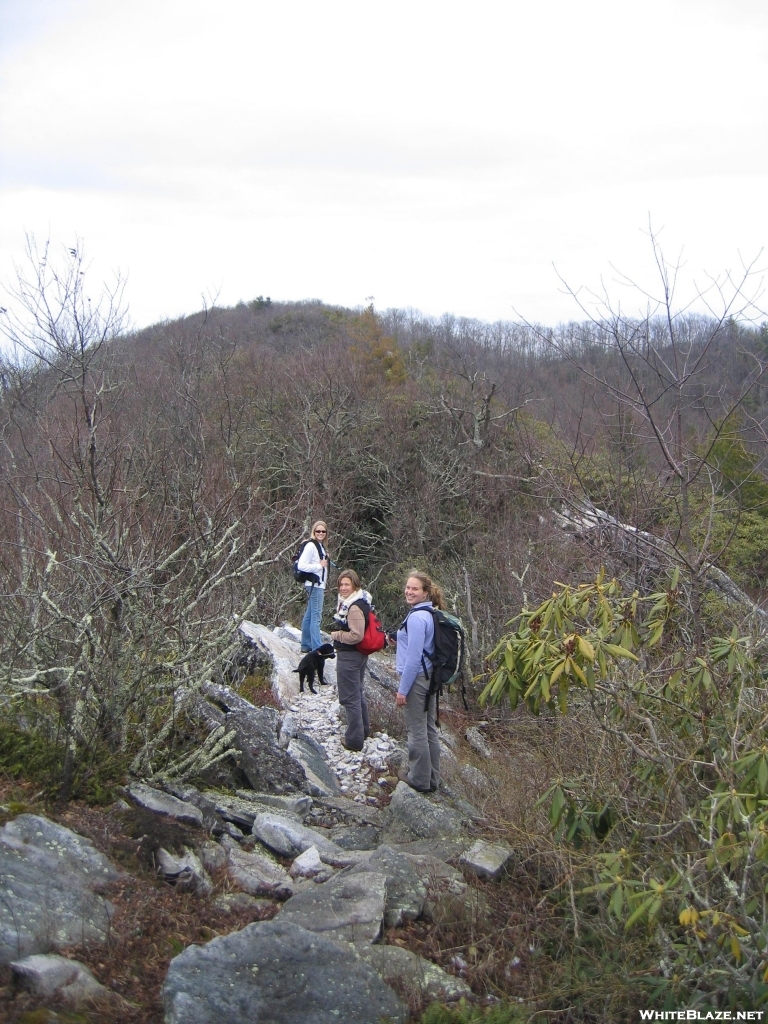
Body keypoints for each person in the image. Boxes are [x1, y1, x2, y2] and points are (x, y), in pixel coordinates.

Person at [395, 570, 444, 793]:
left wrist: (403, 690)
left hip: (417, 679)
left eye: (415, 588)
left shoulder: (416, 618)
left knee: (417, 730)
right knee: (428, 729)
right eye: (408, 587)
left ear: (425, 593)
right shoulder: (429, 614)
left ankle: (419, 779)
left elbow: (413, 659)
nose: (409, 591)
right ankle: (433, 779)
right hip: (430, 676)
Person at [330, 568, 372, 751]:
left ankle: (354, 740)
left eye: (347, 584)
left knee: (349, 698)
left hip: (350, 655)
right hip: (358, 655)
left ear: (355, 584)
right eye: (341, 584)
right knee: (358, 692)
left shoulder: (353, 607)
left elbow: (356, 635)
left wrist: (336, 635)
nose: (343, 588)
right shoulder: (360, 601)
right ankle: (364, 730)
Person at [297, 521, 330, 653]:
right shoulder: (311, 545)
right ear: (314, 532)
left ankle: (305, 644)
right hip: (315, 585)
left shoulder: (320, 546)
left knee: (310, 615)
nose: (321, 534)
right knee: (316, 616)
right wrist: (319, 566)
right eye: (318, 531)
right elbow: (301, 565)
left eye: (323, 531)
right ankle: (317, 648)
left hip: (317, 585)